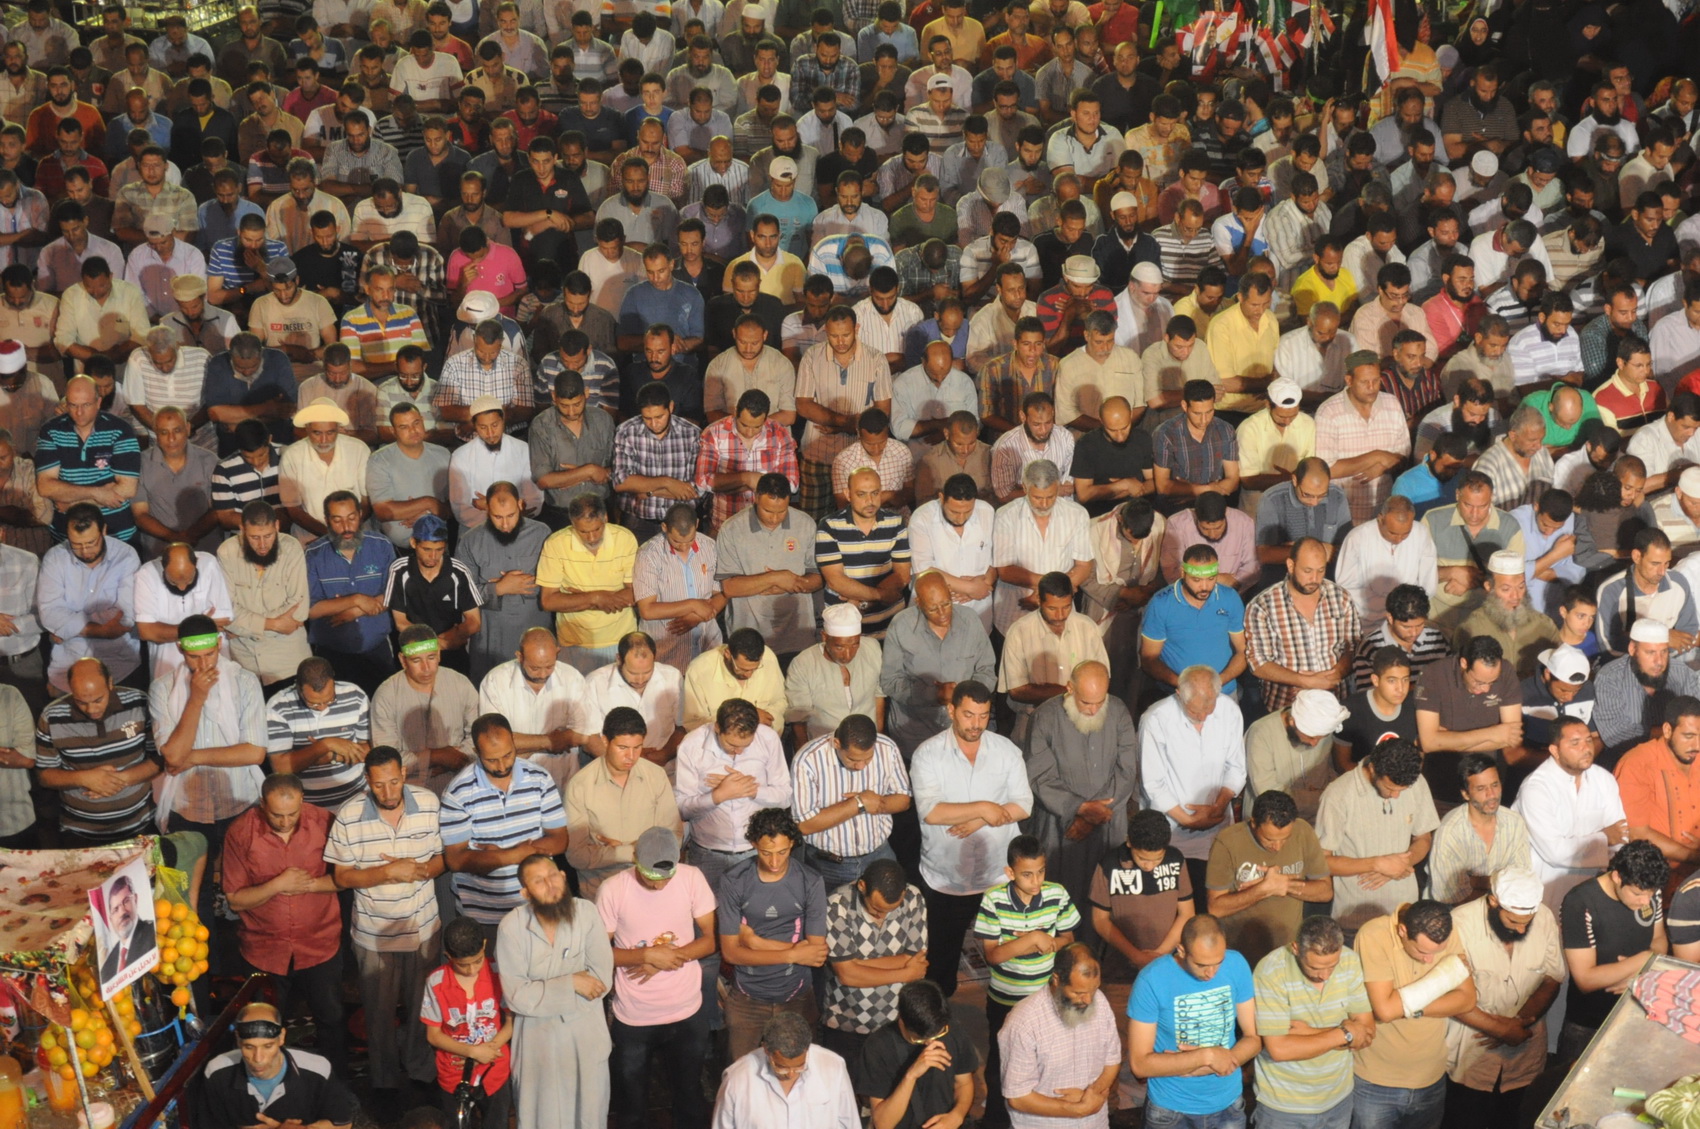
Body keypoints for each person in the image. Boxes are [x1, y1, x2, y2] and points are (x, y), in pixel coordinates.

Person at [325, 745, 444, 1102]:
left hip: (423, 927)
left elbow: (443, 858)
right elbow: (342, 877)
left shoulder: (429, 804)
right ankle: (385, 1081)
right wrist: (388, 872)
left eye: (394, 782)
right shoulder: (349, 815)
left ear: (404, 774)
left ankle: (421, 1071)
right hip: (374, 935)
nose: (388, 792)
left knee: (424, 1007)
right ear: (367, 780)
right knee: (378, 1014)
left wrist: (420, 869)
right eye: (379, 785)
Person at [910, 679, 1031, 996]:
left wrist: (979, 819)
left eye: (983, 716)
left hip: (997, 874)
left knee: (1010, 955)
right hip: (947, 877)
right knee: (941, 962)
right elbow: (931, 812)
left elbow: (1023, 805)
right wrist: (984, 807)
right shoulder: (928, 754)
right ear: (951, 711)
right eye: (968, 715)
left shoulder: (1006, 750)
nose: (976, 724)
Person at [595, 825, 717, 1129]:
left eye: (666, 877)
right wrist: (646, 955)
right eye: (651, 876)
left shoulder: (692, 878)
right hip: (634, 1015)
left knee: (689, 1097)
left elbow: (710, 941)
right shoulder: (613, 889)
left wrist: (664, 960)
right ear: (635, 859)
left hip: (687, 1010)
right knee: (632, 1104)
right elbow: (597, 953)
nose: (659, 885)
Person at [222, 774, 346, 1066]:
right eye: (277, 815)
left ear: (303, 800)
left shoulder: (325, 822)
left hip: (320, 943)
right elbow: (235, 899)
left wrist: (308, 885)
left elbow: (346, 879)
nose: (285, 821)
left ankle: (336, 1083)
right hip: (264, 950)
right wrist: (277, 884)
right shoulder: (241, 832)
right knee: (264, 1027)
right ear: (262, 804)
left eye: (293, 813)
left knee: (332, 1018)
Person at [495, 853, 615, 1129]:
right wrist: (572, 982)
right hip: (538, 1041)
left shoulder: (587, 913)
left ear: (563, 876)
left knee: (588, 1116)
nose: (550, 885)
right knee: (541, 1117)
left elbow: (600, 981)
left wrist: (541, 991)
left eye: (552, 876)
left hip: (585, 1036)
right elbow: (517, 996)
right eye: (539, 881)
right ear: (526, 893)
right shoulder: (511, 927)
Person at [1444, 866, 1565, 1129]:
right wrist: (1499, 1029)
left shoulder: (1544, 917)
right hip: (1471, 1055)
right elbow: (1447, 994)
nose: (1521, 930)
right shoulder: (1460, 923)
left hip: (1525, 1054)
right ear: (1493, 902)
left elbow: (1552, 978)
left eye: (1527, 922)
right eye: (1513, 921)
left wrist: (1519, 1023)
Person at [1025, 660, 1137, 940]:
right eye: (1086, 702)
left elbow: (1127, 770)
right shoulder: (1045, 717)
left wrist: (1094, 815)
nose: (1094, 710)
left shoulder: (1118, 711)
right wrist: (1080, 809)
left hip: (1109, 823)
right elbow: (1040, 777)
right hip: (1060, 825)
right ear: (1070, 688)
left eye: (1100, 702)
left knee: (1105, 897)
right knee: (1060, 897)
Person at [974, 833, 1079, 1127]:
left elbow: (1068, 939)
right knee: (1000, 1063)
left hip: (1044, 1000)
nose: (1036, 881)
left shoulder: (1057, 894)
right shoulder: (993, 899)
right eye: (1027, 874)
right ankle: (996, 1120)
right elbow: (993, 956)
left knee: (1044, 1060)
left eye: (1041, 872)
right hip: (1005, 1000)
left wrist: (1046, 942)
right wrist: (1032, 939)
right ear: (1010, 872)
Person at [1352, 900, 1478, 1129]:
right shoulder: (1373, 935)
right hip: (1377, 1083)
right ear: (1402, 931)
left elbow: (1468, 1000)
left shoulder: (1445, 930)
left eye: (1437, 953)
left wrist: (1412, 1006)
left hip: (1431, 1078)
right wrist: (1442, 980)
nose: (1430, 960)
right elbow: (1385, 1011)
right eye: (1422, 951)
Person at [716, 805, 829, 1061]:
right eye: (766, 853)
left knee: (799, 1071)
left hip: (797, 996)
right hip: (747, 997)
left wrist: (756, 943)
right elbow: (731, 953)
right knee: (741, 1072)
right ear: (754, 844)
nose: (775, 862)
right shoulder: (734, 880)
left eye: (782, 852)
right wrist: (793, 954)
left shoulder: (810, 881)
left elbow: (816, 954)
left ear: (792, 844)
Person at [1126, 914, 1260, 1129]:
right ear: (1181, 950)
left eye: (1218, 963)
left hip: (1228, 1105)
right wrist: (1206, 1056)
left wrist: (1219, 1062)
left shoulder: (1236, 964)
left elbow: (1253, 1038)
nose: (1211, 973)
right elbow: (1139, 1065)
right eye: (1201, 965)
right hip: (1170, 1110)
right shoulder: (1152, 979)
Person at [1557, 839, 1671, 1059]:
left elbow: (1659, 940)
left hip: (1639, 1012)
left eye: (1651, 894)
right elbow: (1585, 979)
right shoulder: (1580, 902)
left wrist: (1638, 977)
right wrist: (1644, 959)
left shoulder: (1648, 889)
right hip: (1589, 1024)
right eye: (1637, 894)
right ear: (1617, 877)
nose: (1645, 901)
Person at [1141, 665, 1246, 901]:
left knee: (1211, 904)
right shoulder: (1156, 719)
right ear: (1179, 694)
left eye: (1209, 709)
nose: (1203, 717)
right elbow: (1153, 784)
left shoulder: (1229, 711)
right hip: (1171, 832)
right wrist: (1190, 820)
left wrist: (1218, 807)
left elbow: (1237, 768)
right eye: (1195, 711)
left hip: (1218, 827)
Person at [817, 857, 928, 1078]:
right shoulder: (837, 905)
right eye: (876, 909)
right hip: (847, 1020)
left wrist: (856, 964)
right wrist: (906, 972)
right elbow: (847, 976)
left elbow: (914, 956)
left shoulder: (913, 897)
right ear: (862, 886)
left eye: (890, 910)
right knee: (846, 1084)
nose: (881, 916)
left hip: (896, 1019)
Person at [36, 656, 160, 844]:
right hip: (79, 832)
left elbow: (160, 760)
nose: (91, 709)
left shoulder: (138, 703)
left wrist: (118, 780)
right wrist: (84, 778)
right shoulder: (52, 717)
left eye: (98, 700)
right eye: (81, 702)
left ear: (110, 683)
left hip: (140, 825)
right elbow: (44, 776)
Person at [1513, 717, 1632, 911]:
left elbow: (1620, 837)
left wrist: (1608, 841)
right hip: (1543, 890)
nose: (1586, 748)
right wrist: (1604, 838)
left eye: (1588, 740)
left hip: (1590, 891)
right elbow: (1554, 852)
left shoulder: (1603, 779)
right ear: (1555, 750)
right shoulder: (1536, 788)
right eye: (1575, 743)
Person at [1205, 789, 1333, 966]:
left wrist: (1285, 884)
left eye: (1285, 839)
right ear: (1253, 823)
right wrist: (1263, 889)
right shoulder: (1227, 841)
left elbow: (1325, 892)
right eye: (1269, 839)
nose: (1277, 847)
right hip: (1240, 953)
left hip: (1288, 950)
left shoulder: (1303, 831)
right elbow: (1215, 908)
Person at [563, 705, 681, 897]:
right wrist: (633, 850)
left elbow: (673, 838)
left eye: (637, 747)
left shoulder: (656, 776)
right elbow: (577, 855)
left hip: (650, 887)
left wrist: (613, 851)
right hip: (601, 890)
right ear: (605, 741)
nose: (631, 757)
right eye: (623, 748)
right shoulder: (580, 785)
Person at [877, 569, 998, 755]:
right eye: (933, 609)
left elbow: (987, 671)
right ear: (918, 603)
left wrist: (963, 697)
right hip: (915, 732)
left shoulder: (970, 620)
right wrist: (933, 694)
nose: (942, 614)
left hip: (964, 731)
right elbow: (890, 681)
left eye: (946, 604)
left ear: (949, 591)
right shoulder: (901, 625)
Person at [791, 712, 911, 890]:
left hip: (879, 855)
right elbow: (804, 825)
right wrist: (858, 804)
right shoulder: (808, 760)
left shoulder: (887, 747)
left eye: (868, 759)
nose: (860, 766)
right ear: (837, 743)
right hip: (828, 864)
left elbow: (904, 800)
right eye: (853, 759)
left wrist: (879, 803)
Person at [196, 1002, 358, 1129]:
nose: (258, 1058)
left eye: (268, 1046)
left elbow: (343, 1124)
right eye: (249, 1047)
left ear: (281, 1037)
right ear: (238, 1040)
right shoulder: (217, 1072)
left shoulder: (317, 1069)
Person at [420, 917, 513, 1129]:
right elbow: (433, 1035)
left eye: (477, 961)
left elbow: (511, 1022)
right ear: (448, 956)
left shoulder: (499, 973)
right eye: (462, 965)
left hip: (494, 1069)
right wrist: (472, 1052)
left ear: (485, 946)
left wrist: (487, 1050)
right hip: (453, 1073)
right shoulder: (436, 982)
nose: (471, 970)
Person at [859, 980, 977, 1129]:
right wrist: (911, 1075)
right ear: (901, 1020)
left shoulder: (951, 1030)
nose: (930, 1043)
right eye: (920, 1039)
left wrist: (957, 1114)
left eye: (938, 1035)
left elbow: (964, 1083)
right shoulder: (878, 1046)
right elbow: (883, 1124)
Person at [711, 1010, 859, 1129]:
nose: (791, 1074)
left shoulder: (833, 1067)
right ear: (766, 1049)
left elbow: (849, 1122)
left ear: (807, 1049)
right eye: (782, 1067)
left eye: (799, 1067)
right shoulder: (738, 1079)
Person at [264, 656, 371, 812]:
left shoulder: (355, 695)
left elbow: (371, 750)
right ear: (298, 688)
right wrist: (325, 745)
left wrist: (330, 756)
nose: (322, 708)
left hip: (357, 798)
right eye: (313, 703)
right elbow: (281, 767)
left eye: (329, 700)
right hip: (308, 808)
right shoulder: (278, 707)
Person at [1428, 755, 1534, 905]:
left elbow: (1520, 880)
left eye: (1495, 785)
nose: (1491, 795)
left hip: (1503, 908)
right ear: (1465, 794)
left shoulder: (1514, 822)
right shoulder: (1450, 831)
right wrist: (1495, 885)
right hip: (1457, 912)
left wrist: (1476, 881)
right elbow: (1449, 897)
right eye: (1481, 788)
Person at [1614, 695, 1700, 870]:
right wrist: (1694, 856)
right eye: (1688, 736)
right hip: (1653, 874)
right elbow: (1637, 833)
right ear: (1667, 730)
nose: (1697, 745)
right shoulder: (1637, 763)